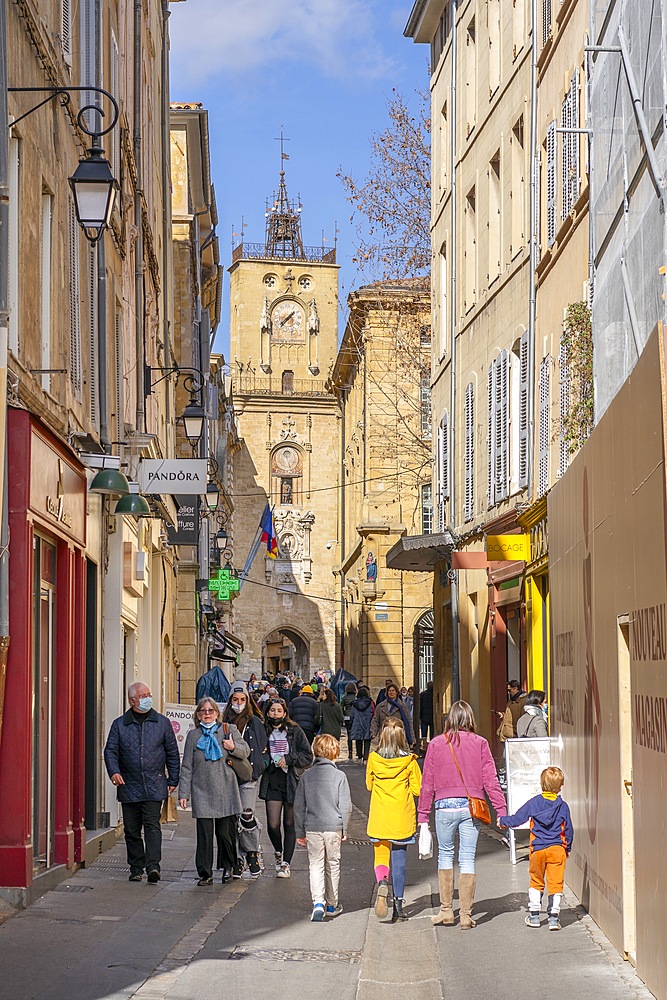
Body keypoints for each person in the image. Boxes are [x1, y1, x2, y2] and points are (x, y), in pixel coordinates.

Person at [418, 700, 507, 929]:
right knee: (467, 857)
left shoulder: (437, 744)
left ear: (450, 719)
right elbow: (490, 779)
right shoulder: (480, 743)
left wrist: (423, 816)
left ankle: (446, 911)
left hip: (444, 805)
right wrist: (501, 809)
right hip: (471, 805)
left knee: (445, 855)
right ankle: (466, 916)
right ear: (470, 719)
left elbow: (427, 782)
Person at [104, 681, 180, 883]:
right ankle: (136, 867)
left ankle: (153, 866)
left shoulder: (162, 723)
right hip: (128, 784)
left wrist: (173, 779)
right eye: (143, 695)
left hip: (155, 783)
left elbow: (172, 753)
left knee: (152, 826)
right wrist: (114, 772)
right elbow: (110, 750)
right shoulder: (120, 724)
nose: (148, 698)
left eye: (149, 694)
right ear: (132, 700)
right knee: (132, 829)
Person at [178, 698, 250, 886]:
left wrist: (232, 747)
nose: (207, 714)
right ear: (198, 714)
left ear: (217, 714)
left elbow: (246, 751)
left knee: (225, 833)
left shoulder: (228, 730)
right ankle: (205, 873)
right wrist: (183, 794)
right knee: (204, 835)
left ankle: (228, 867)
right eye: (203, 711)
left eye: (211, 710)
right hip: (201, 790)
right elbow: (186, 766)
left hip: (225, 788)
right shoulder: (193, 735)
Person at [498, 766, 573, 930]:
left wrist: (503, 821)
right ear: (560, 786)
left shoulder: (534, 803)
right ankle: (553, 919)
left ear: (542, 784)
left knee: (536, 881)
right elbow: (568, 830)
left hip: (538, 849)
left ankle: (534, 916)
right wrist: (567, 848)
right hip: (557, 849)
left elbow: (518, 819)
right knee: (556, 883)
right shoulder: (563, 806)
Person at [367, 718, 422, 922]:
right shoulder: (409, 762)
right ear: (402, 738)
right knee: (399, 861)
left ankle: (382, 881)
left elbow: (369, 785)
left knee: (381, 857)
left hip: (380, 816)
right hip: (401, 816)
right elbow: (418, 789)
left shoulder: (373, 759)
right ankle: (398, 905)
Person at [295, 734, 352, 921]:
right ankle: (332, 903)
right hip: (333, 826)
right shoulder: (339, 776)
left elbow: (299, 806)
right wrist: (344, 827)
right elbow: (346, 805)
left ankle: (317, 902)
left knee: (316, 864)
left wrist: (299, 831)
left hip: (312, 826)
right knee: (333, 864)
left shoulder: (307, 776)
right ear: (334, 752)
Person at [259, 698, 314, 878]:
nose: (276, 714)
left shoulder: (295, 731)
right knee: (273, 824)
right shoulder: (263, 730)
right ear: (268, 712)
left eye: (279, 711)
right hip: (272, 779)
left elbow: (308, 755)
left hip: (290, 780)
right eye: (272, 711)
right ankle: (278, 851)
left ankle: (286, 864)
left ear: (284, 713)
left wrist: (289, 759)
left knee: (289, 823)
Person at [221, 681, 269, 878]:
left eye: (242, 699)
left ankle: (251, 853)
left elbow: (262, 747)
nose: (238, 703)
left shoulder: (255, 722)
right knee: (232, 819)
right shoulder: (223, 722)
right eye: (235, 699)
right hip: (227, 775)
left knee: (246, 815)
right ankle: (238, 859)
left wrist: (260, 766)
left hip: (248, 776)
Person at [371, 681, 414, 747]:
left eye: (393, 691)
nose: (391, 692)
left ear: (396, 692)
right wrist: (373, 733)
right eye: (389, 691)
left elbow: (408, 721)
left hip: (398, 736)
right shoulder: (380, 706)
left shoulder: (402, 706)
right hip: (384, 736)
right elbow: (375, 720)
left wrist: (411, 737)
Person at [349, 685, 373, 762]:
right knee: (367, 740)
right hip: (367, 723)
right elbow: (373, 713)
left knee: (358, 740)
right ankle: (366, 758)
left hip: (357, 723)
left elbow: (352, 715)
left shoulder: (355, 704)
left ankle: (359, 757)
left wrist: (351, 722)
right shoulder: (370, 702)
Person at [341, 682, 358, 759]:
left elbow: (341, 707)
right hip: (355, 717)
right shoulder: (356, 697)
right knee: (358, 735)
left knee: (349, 735)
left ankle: (350, 752)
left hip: (348, 717)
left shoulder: (345, 698)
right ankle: (358, 751)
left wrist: (344, 713)